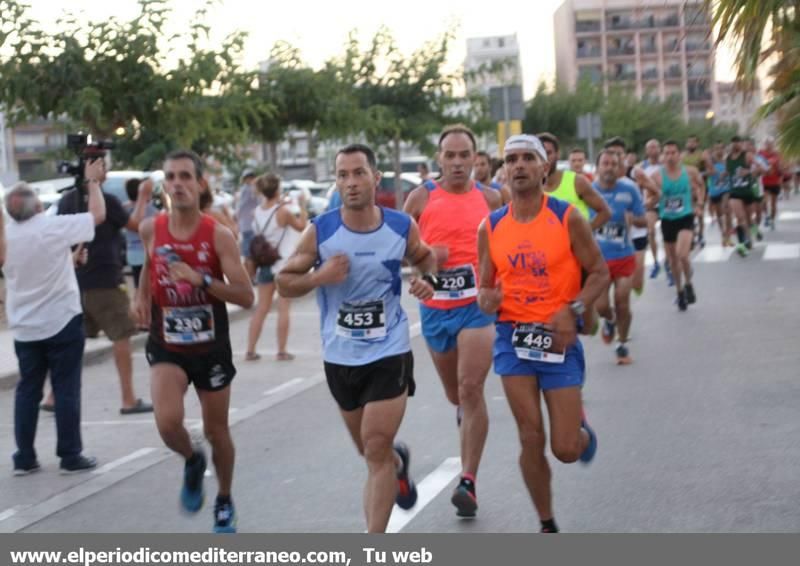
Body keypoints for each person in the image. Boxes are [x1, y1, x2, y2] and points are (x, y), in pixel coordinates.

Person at [276, 143, 436, 532]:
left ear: (375, 178)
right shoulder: (322, 230)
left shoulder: (400, 226)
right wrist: (318, 277)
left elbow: (424, 256)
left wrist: (427, 280)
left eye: (358, 173)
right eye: (343, 175)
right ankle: (396, 466)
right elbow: (283, 281)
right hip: (341, 356)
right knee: (371, 451)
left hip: (389, 350)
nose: (351, 182)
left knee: (376, 444)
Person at [478, 134, 608, 533]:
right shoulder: (491, 226)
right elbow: (485, 288)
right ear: (503, 170)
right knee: (530, 436)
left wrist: (575, 309)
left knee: (565, 450)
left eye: (527, 159)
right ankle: (546, 523)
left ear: (544, 168)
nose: (518, 166)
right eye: (511, 159)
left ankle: (580, 434)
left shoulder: (568, 217)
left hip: (559, 338)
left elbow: (599, 272)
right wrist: (487, 299)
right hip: (513, 337)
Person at [133, 149, 254, 533]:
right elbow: (150, 266)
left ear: (201, 184)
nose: (178, 184)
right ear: (164, 185)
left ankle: (223, 499)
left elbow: (246, 295)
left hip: (210, 345)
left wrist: (200, 279)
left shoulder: (217, 235)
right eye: (171, 177)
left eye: (186, 176)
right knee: (168, 424)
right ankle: (191, 459)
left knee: (217, 431)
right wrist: (141, 296)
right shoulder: (151, 228)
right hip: (166, 340)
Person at [404, 124, 502, 518]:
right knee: (455, 396)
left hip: (477, 306)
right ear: (439, 159)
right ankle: (466, 414)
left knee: (470, 387)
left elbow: (508, 245)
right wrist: (424, 262)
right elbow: (398, 245)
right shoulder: (421, 197)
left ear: (476, 158)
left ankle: (468, 481)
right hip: (435, 310)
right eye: (451, 155)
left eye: (466, 155)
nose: (458, 162)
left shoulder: (493, 199)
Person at [3, 157, 107, 475]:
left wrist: (69, 260)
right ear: (37, 207)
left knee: (28, 389)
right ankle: (70, 453)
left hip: (25, 327)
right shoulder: (52, 227)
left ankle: (24, 456)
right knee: (65, 388)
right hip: (61, 320)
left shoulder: (7, 238)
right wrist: (92, 181)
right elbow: (98, 215)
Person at [57, 155, 153, 415]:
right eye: (102, 165)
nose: (107, 170)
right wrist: (143, 196)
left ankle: (51, 396)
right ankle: (128, 398)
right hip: (106, 280)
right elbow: (136, 226)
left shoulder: (66, 200)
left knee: (71, 342)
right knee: (121, 335)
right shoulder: (107, 202)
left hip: (75, 282)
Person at [539, 132, 611, 334]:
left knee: (586, 327)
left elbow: (605, 211)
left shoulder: (575, 181)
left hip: (580, 257)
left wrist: (583, 233)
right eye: (539, 153)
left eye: (549, 152)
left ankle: (591, 321)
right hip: (548, 261)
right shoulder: (531, 188)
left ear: (557, 154)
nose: (545, 158)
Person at [592, 150, 648, 364]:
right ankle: (610, 321)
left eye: (614, 164)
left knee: (622, 301)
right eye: (605, 163)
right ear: (598, 167)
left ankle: (622, 344)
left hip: (624, 255)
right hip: (598, 260)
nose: (609, 167)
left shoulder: (629, 189)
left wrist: (633, 219)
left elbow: (645, 221)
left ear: (620, 168)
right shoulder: (589, 190)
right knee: (601, 306)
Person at [245, 173, 307, 361]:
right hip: (283, 265)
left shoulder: (256, 212)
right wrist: (302, 205)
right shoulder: (284, 212)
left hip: (265, 263)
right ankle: (281, 350)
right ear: (277, 189)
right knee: (283, 308)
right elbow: (301, 226)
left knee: (261, 308)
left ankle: (250, 349)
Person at [603, 137, 660, 296]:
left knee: (636, 281)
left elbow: (656, 194)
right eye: (612, 153)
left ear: (625, 155)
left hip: (636, 231)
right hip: (610, 234)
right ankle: (612, 314)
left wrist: (641, 208)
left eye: (619, 154)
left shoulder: (635, 173)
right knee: (610, 281)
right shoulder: (600, 176)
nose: (616, 157)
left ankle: (633, 287)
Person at [652, 141, 705, 311]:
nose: (670, 156)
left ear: (679, 154)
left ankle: (689, 284)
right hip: (667, 220)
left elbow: (701, 185)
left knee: (682, 255)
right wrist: (650, 201)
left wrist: (700, 204)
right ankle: (679, 291)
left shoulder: (689, 172)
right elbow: (650, 196)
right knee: (673, 261)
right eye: (666, 153)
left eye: (673, 153)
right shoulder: (657, 176)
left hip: (685, 217)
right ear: (663, 155)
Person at [124, 177, 158, 288]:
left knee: (138, 285)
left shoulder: (125, 209)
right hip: (147, 253)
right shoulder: (152, 210)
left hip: (132, 254)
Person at [726, 135, 757, 257]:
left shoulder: (747, 155)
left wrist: (748, 172)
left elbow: (760, 167)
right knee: (739, 217)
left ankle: (749, 238)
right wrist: (724, 175)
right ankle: (741, 243)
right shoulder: (728, 158)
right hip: (735, 191)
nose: (735, 145)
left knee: (748, 219)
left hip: (747, 191)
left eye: (738, 143)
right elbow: (729, 172)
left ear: (741, 144)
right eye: (733, 143)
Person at [640, 139, 663, 279]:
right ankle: (655, 262)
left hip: (666, 204)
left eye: (655, 147)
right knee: (650, 231)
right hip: (650, 205)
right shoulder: (642, 167)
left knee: (669, 236)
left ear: (659, 149)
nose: (653, 150)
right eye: (650, 147)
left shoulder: (665, 166)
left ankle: (670, 264)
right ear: (646, 151)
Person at [681, 135, 709, 248]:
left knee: (700, 213)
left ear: (697, 144)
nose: (690, 144)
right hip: (687, 189)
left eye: (693, 142)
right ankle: (691, 236)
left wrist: (698, 175)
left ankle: (701, 235)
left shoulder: (702, 156)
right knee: (689, 213)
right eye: (689, 142)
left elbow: (710, 170)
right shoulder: (682, 156)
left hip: (700, 187)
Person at [707, 142, 733, 247]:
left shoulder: (727, 161)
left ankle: (729, 236)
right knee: (719, 215)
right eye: (717, 149)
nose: (719, 151)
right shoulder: (710, 162)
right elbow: (708, 173)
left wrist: (727, 172)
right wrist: (712, 172)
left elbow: (732, 171)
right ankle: (723, 234)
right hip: (715, 190)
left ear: (724, 150)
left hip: (726, 189)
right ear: (714, 150)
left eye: (721, 149)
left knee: (726, 210)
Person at [235, 169, 259, 279]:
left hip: (246, 226)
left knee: (248, 254)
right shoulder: (250, 190)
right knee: (250, 255)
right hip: (251, 226)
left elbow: (239, 209)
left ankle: (249, 276)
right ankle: (251, 277)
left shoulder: (245, 190)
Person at [758, 137, 783, 230]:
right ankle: (766, 216)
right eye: (767, 143)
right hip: (764, 181)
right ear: (765, 144)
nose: (768, 145)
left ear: (773, 144)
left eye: (770, 143)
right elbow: (756, 163)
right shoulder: (761, 153)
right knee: (764, 200)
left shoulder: (777, 154)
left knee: (773, 204)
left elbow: (780, 168)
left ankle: (772, 220)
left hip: (774, 181)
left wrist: (780, 177)